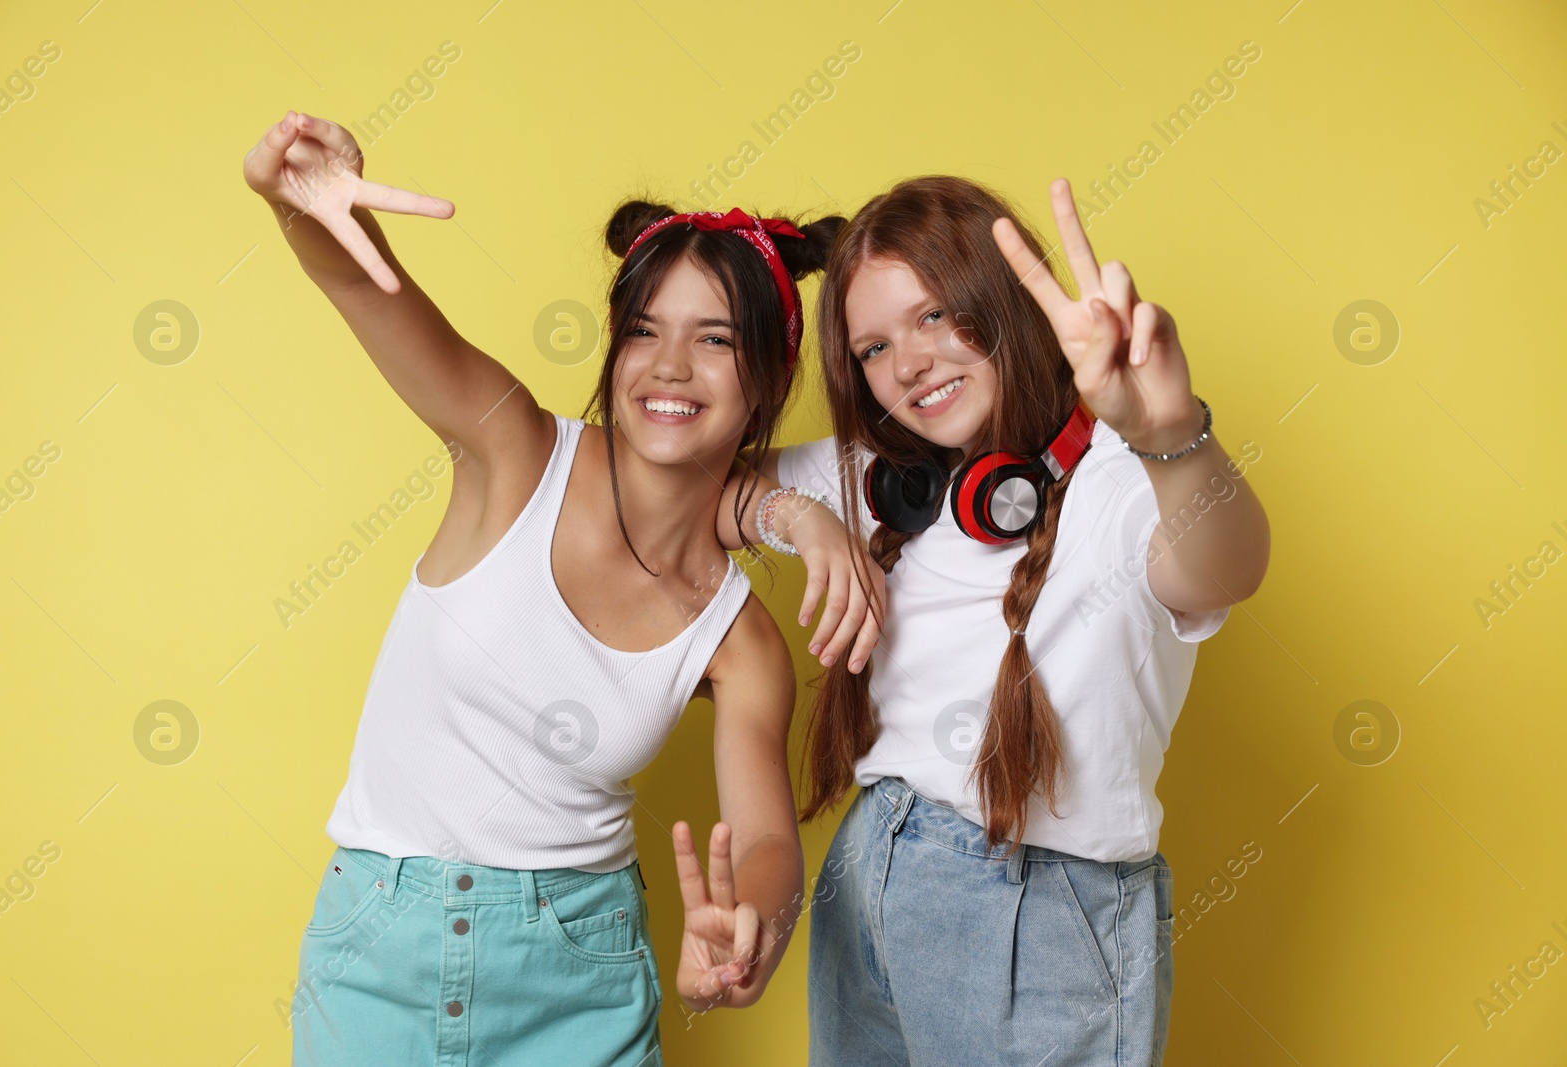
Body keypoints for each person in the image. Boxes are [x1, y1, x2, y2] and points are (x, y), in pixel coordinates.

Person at [241, 109, 877, 1066]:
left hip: (580, 963)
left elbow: (766, 842)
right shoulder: (513, 449)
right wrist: (305, 207)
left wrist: (755, 926)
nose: (670, 365)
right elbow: (379, 299)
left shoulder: (738, 639)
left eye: (713, 339)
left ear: (768, 375)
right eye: (645, 332)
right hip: (382, 941)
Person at [723, 174, 1271, 1065]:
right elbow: (704, 488)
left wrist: (1170, 431)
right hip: (873, 873)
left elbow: (1229, 566)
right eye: (872, 348)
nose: (907, 363)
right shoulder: (892, 477)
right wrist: (805, 518)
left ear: (1004, 303)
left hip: (1040, 911)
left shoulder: (1127, 484)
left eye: (935, 315)